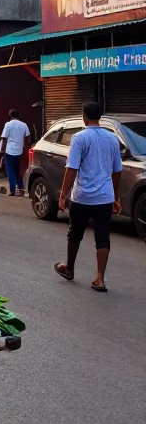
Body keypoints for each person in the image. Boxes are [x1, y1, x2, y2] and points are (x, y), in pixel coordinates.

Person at [54, 102, 122, 293]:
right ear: (99, 117)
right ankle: (100, 278)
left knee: (75, 233)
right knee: (103, 237)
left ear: (84, 116)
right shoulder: (112, 139)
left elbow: (72, 168)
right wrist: (116, 197)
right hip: (105, 197)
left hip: (82, 196)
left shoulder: (79, 138)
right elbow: (117, 171)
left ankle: (69, 268)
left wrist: (62, 195)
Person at [0, 108, 31, 196]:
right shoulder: (24, 125)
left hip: (9, 151)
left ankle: (12, 190)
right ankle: (20, 187)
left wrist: (1, 151)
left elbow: (4, 138)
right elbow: (28, 138)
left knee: (10, 170)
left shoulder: (8, 124)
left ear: (10, 115)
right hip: (19, 151)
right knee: (17, 170)